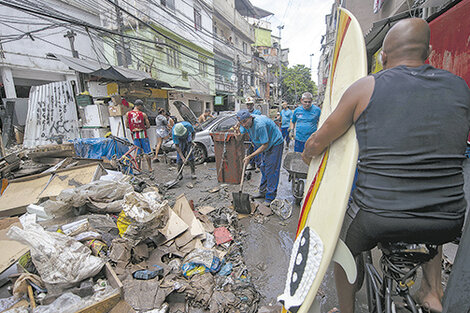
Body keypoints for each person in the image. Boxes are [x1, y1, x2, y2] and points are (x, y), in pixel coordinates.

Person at [301, 18, 470, 313]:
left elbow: (319, 142)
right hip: (450, 218)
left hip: (378, 216)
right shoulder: (459, 87)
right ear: (428, 51)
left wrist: (308, 155)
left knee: (342, 248)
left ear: (382, 56)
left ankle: (346, 309)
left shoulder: (366, 87)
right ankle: (432, 291)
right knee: (431, 208)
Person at [234, 110, 284, 205]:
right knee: (263, 167)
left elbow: (265, 145)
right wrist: (237, 133)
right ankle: (262, 192)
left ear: (250, 118)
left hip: (275, 143)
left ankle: (270, 198)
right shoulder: (245, 124)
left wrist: (249, 156)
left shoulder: (259, 125)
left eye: (245, 122)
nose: (243, 125)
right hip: (263, 144)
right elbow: (239, 138)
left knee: (272, 170)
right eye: (241, 123)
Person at [125, 99, 152, 172]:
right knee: (147, 152)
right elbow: (148, 126)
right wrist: (143, 127)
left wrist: (134, 128)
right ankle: (150, 168)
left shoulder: (128, 114)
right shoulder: (143, 114)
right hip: (143, 134)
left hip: (135, 135)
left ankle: (139, 168)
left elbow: (127, 125)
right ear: (139, 106)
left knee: (137, 152)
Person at [245, 97, 262, 170]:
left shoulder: (257, 112)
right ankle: (252, 164)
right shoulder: (246, 113)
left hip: (256, 135)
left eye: (250, 105)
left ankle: (258, 165)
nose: (249, 106)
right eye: (248, 105)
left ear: (253, 105)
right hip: (249, 135)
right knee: (250, 150)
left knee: (257, 150)